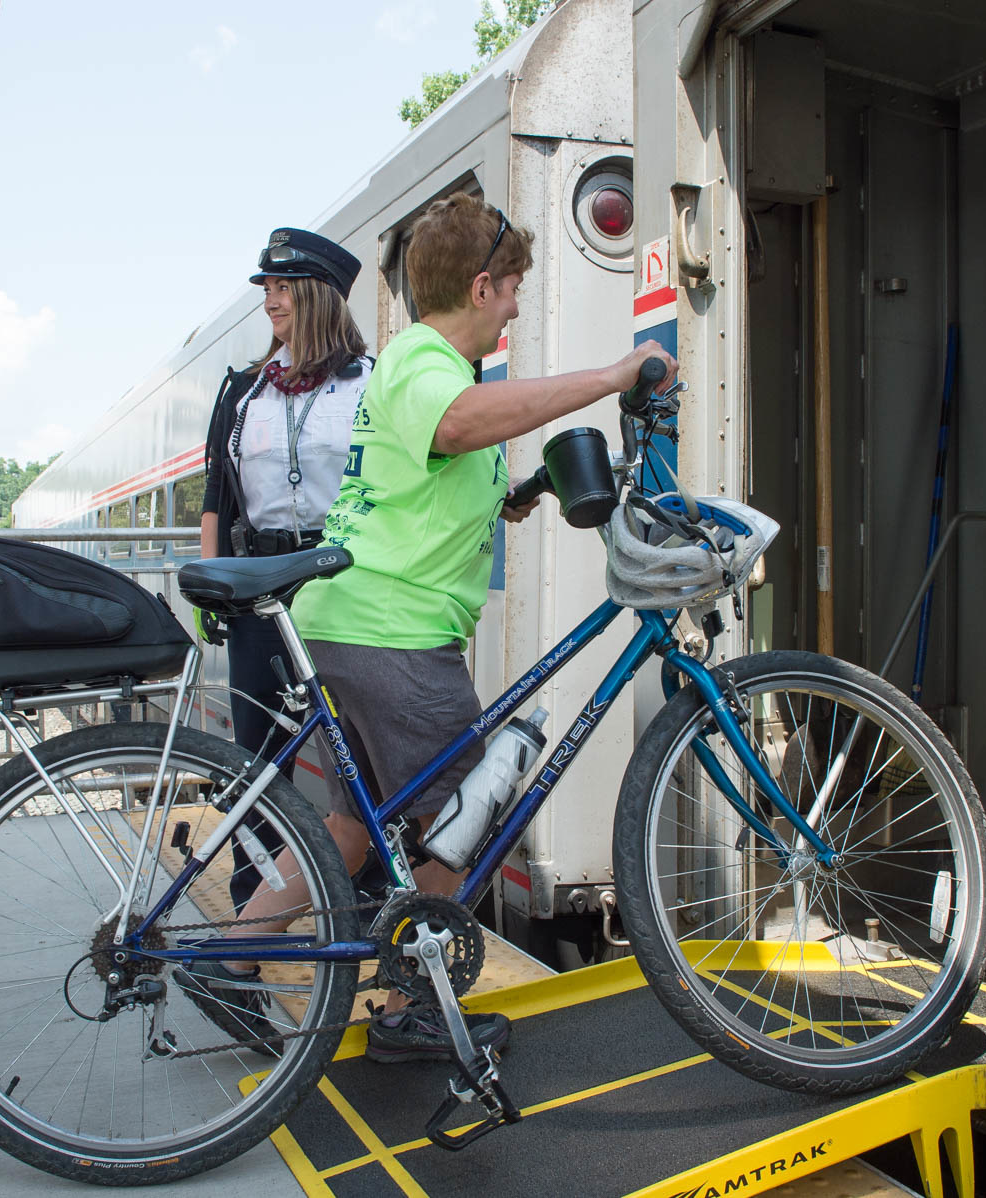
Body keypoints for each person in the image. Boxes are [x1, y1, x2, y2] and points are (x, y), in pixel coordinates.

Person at [185, 193, 676, 1063]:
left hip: (353, 619)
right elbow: (452, 426)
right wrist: (607, 378)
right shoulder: (423, 363)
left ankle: (229, 959)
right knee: (467, 811)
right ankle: (413, 1009)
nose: (519, 306)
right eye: (514, 288)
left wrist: (519, 494)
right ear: (481, 286)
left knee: (348, 828)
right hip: (393, 633)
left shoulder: (429, 369)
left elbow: (439, 462)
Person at [198, 228, 371, 907]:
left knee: (355, 751)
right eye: (265, 289)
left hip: (344, 582)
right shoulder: (241, 391)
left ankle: (368, 898)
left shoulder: (372, 383)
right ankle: (252, 899)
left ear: (319, 296)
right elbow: (217, 496)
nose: (269, 301)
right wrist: (214, 584)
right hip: (259, 589)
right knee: (256, 760)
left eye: (282, 289)